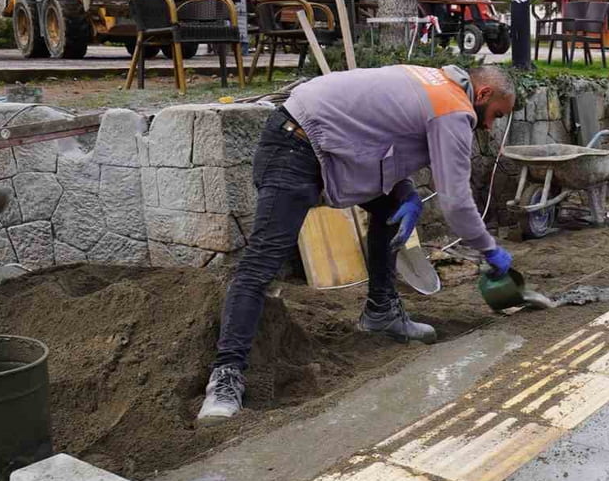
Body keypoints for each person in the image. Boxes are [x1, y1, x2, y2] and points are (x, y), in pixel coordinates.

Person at [197, 64, 518, 424]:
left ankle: (381, 312)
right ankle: (225, 377)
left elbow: (377, 133)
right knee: (262, 263)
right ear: (483, 94)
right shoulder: (454, 108)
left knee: (391, 208)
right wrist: (489, 249)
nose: (490, 126)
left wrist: (404, 191)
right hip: (295, 148)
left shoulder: (433, 82)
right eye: (496, 115)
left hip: (315, 139)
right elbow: (456, 203)